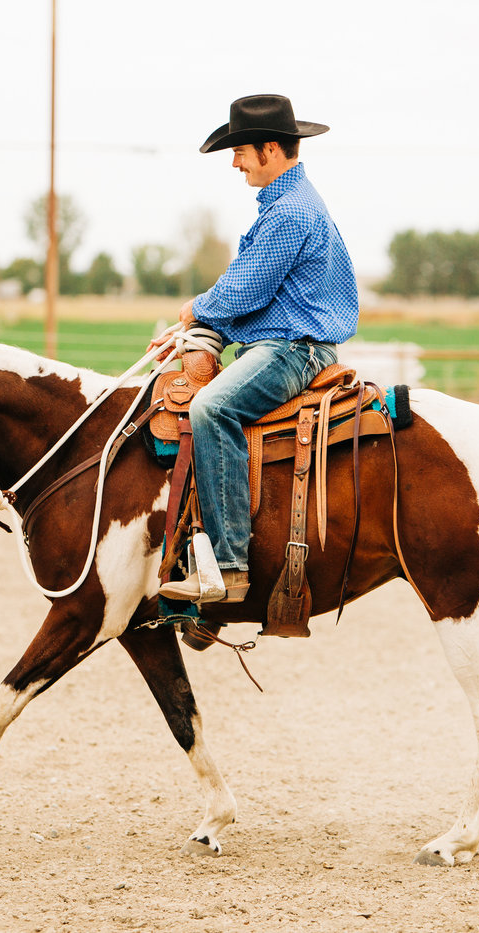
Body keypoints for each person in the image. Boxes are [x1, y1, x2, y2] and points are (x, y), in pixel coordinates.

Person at [154, 94, 359, 604]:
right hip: (287, 341)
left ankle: (227, 567)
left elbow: (245, 290)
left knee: (211, 407)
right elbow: (253, 289)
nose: (235, 161)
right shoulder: (289, 203)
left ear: (270, 149)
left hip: (293, 349)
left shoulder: (290, 212)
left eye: (241, 150)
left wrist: (194, 310)